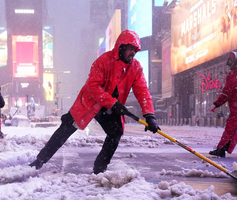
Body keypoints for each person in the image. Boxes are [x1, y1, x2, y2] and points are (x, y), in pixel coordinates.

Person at [29, 30, 159, 174]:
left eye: (135, 50)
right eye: (130, 49)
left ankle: (99, 169)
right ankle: (40, 160)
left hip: (110, 109)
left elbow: (143, 92)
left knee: (116, 133)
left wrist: (149, 115)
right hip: (89, 103)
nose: (133, 53)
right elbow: (93, 87)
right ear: (121, 47)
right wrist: (113, 103)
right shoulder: (103, 61)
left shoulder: (135, 67)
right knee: (65, 129)